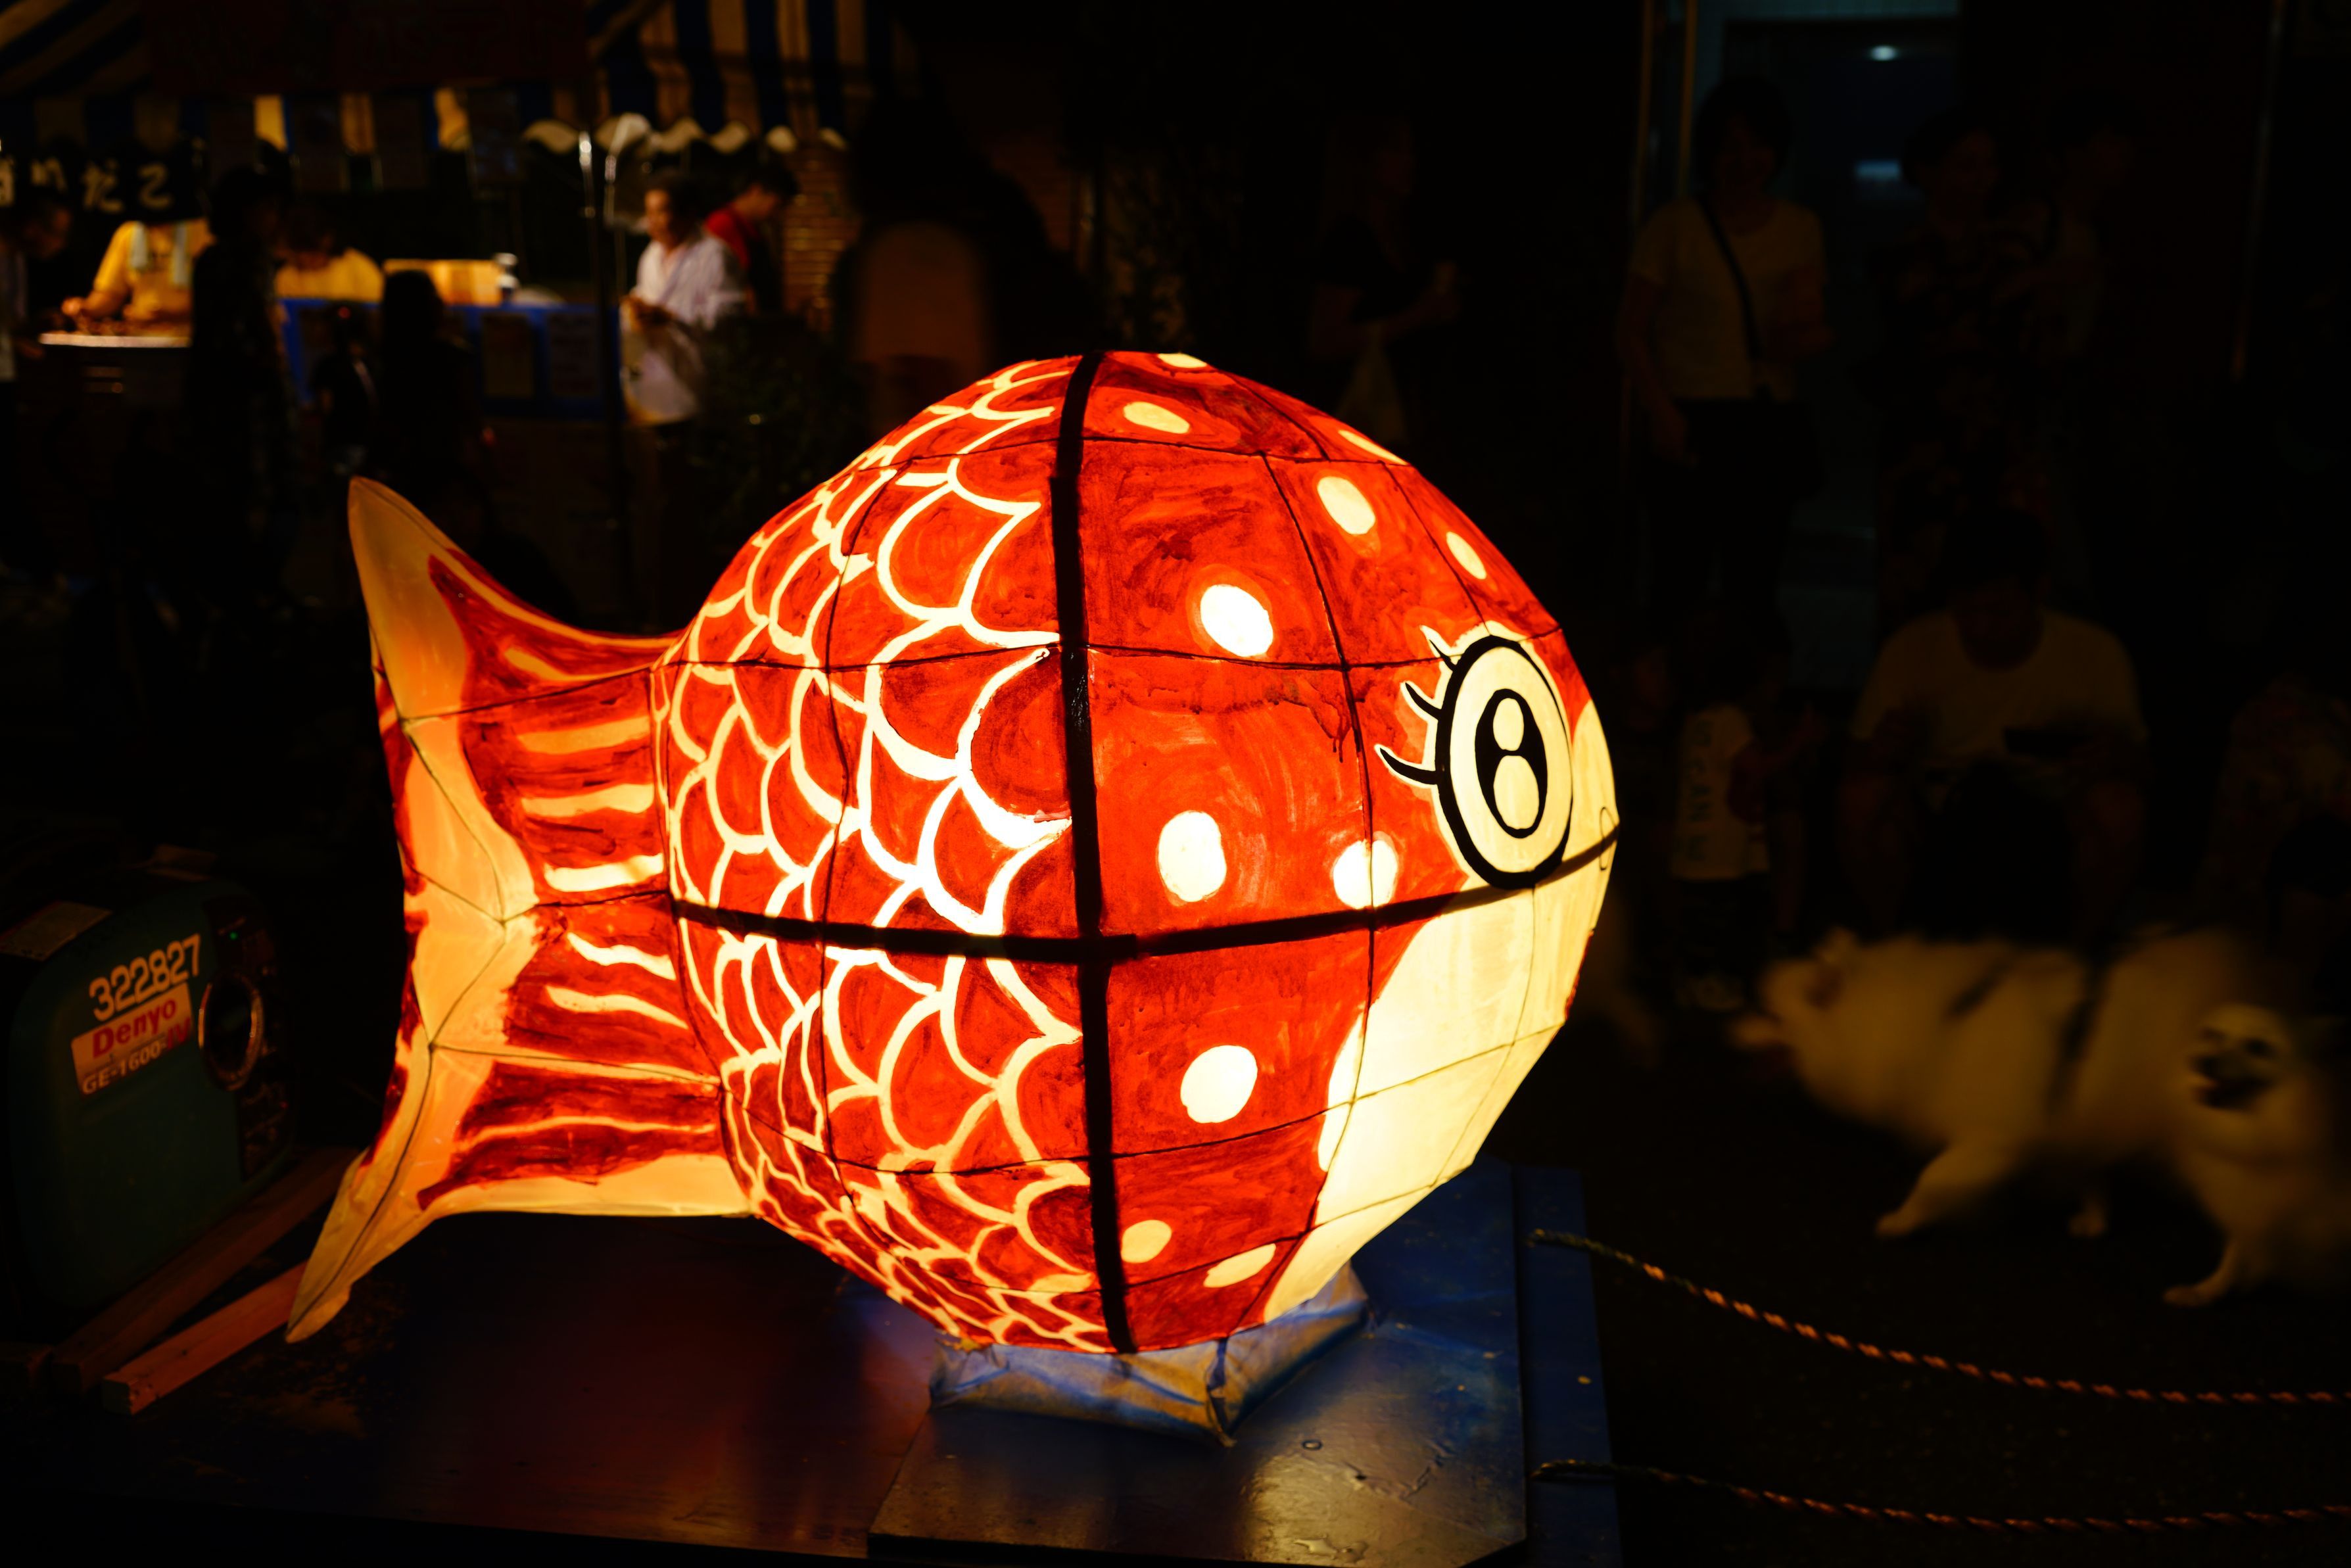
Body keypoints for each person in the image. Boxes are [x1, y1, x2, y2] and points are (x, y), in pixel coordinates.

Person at [1840, 509, 2144, 943]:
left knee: (2120, 809)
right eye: (1965, 610)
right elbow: (1854, 760)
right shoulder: (1913, 648)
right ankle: (1900, 948)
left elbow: (2142, 767)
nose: (1980, 629)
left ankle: (2071, 953)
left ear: (2039, 591)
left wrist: (2110, 756)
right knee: (1860, 800)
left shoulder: (2094, 653)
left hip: (2050, 813)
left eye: (1999, 612)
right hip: (1941, 812)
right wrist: (1883, 752)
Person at [1620, 78, 1831, 619]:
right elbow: (1631, 329)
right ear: (1709, 153)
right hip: (1689, 416)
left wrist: (1805, 330)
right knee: (1678, 576)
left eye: (1757, 145)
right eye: (1730, 146)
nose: (1745, 160)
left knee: (1755, 579)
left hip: (1764, 416)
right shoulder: (1674, 226)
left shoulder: (1799, 228)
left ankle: (1742, 673)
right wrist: (1662, 414)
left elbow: (1806, 329)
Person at [1869, 108, 2041, 634]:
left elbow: (2032, 351)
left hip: (1996, 451)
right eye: (1967, 165)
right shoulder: (1898, 255)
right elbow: (1893, 351)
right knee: (1915, 596)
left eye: (1989, 165)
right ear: (1928, 172)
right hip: (1920, 452)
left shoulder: (2013, 251)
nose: (1982, 178)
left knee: (1992, 592)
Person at [1307, 115, 1459, 460]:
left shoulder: (1405, 237)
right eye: (1396, 150)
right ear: (1367, 160)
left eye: (1411, 151)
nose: (1409, 162)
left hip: (1409, 410)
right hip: (1362, 416)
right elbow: (1324, 340)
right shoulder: (1350, 241)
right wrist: (1417, 316)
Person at [185, 167, 297, 602]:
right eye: (268, 208)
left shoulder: (211, 260)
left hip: (215, 401)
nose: (275, 218)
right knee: (262, 496)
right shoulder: (247, 261)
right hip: (246, 401)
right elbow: (256, 336)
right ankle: (256, 591)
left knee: (227, 501)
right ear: (247, 212)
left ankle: (232, 592)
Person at [625, 173, 746, 426]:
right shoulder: (650, 256)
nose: (651, 222)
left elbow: (729, 314)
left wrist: (673, 316)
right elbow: (645, 296)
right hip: (658, 380)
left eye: (661, 212)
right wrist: (635, 311)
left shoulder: (715, 255)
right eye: (649, 213)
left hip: (699, 381)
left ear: (688, 214)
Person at [1, 191, 73, 573]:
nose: (60, 244)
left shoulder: (15, 260)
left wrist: (34, 326)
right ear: (31, 228)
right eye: (56, 233)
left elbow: (10, 322)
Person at [65, 212, 214, 330]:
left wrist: (172, 317)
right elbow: (111, 293)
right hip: (141, 340)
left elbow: (218, 300)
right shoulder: (128, 232)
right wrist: (85, 309)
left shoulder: (203, 230)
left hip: (192, 341)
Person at [703, 159, 797, 314]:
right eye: (777, 205)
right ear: (756, 191)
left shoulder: (755, 228)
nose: (778, 215)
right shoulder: (723, 223)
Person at [275, 204, 385, 302]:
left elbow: (377, 309)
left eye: (317, 252)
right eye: (305, 253)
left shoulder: (358, 268)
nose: (312, 259)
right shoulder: (287, 276)